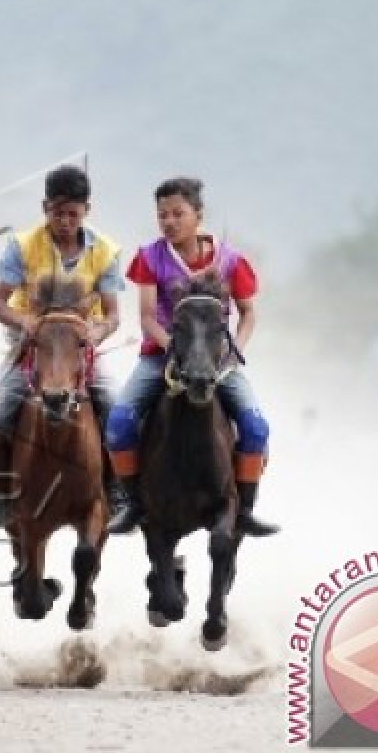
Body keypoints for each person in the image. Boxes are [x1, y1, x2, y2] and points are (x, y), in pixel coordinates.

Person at [0, 164, 126, 546]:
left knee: (116, 406)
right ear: (45, 208)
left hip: (81, 349)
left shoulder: (106, 251)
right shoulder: (23, 245)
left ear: (87, 211)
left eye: (73, 213)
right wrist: (25, 323)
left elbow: (113, 315)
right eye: (57, 212)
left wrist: (95, 333)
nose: (65, 221)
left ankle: (117, 493)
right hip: (31, 347)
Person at [104, 176, 278, 537]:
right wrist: (174, 348)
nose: (168, 221)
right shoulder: (150, 257)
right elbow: (148, 316)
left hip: (217, 361)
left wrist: (234, 352)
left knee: (255, 427)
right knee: (119, 422)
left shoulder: (231, 261)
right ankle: (134, 503)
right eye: (162, 215)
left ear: (198, 215)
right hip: (162, 357)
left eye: (177, 214)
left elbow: (248, 313)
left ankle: (244, 509)